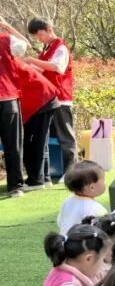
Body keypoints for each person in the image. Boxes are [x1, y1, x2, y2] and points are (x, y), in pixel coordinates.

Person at [23, 18, 76, 173]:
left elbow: (57, 67)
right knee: (48, 137)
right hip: (48, 99)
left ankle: (72, 171)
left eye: (40, 35)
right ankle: (52, 171)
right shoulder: (47, 49)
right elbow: (40, 70)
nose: (39, 39)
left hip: (61, 97)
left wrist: (31, 60)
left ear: (49, 30)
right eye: (37, 37)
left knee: (65, 136)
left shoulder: (61, 47)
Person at [13, 55, 58, 190]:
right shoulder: (12, 60)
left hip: (41, 100)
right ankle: (44, 178)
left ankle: (36, 181)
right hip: (45, 98)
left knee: (35, 142)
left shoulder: (7, 63)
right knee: (40, 141)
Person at [0, 16, 29, 196]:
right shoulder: (6, 39)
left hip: (7, 96)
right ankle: (16, 186)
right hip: (7, 97)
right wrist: (8, 27)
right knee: (13, 144)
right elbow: (26, 46)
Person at [57, 160, 115, 234]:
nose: (105, 183)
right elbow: (106, 224)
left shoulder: (67, 201)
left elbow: (59, 221)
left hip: (65, 239)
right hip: (82, 240)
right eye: (103, 181)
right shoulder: (94, 207)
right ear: (92, 188)